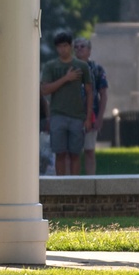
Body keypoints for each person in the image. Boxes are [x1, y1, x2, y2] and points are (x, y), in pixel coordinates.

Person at [40, 31, 93, 177]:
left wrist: (88, 117)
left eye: (65, 46)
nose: (62, 49)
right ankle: (61, 184)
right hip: (58, 115)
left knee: (75, 154)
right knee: (60, 153)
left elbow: (89, 92)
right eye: (59, 47)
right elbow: (44, 89)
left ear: (70, 46)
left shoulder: (81, 66)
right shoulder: (51, 66)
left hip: (77, 115)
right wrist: (66, 78)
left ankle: (74, 185)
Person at [73, 37, 108, 175]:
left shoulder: (97, 69)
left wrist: (100, 118)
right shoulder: (69, 68)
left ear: (89, 50)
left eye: (83, 46)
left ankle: (90, 180)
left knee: (89, 150)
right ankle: (71, 182)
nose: (79, 49)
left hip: (91, 114)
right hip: (72, 114)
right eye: (76, 47)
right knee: (72, 152)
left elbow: (103, 94)